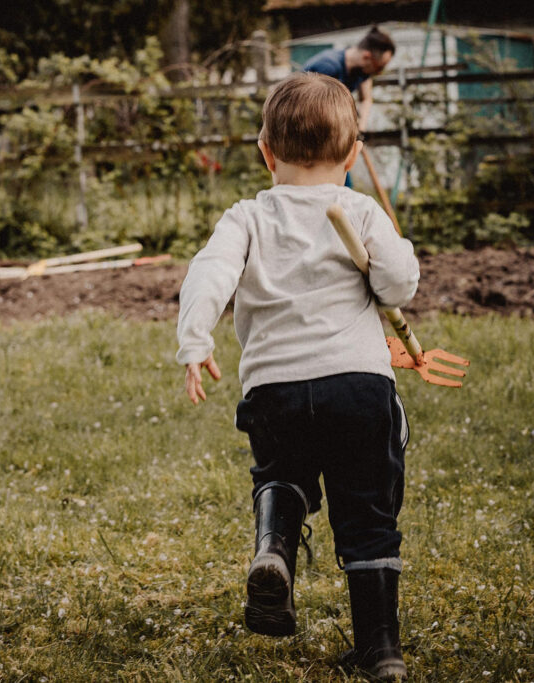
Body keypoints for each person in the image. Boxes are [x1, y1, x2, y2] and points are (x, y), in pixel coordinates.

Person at [176, 71, 419, 681]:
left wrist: (194, 338)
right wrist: (390, 265)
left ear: (265, 153)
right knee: (367, 514)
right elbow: (398, 283)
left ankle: (274, 548)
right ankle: (381, 649)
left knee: (282, 475)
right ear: (354, 155)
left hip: (275, 388)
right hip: (359, 388)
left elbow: (210, 273)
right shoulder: (360, 210)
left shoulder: (247, 217)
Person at [301, 25, 395, 133]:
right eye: (379, 67)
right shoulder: (328, 67)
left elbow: (366, 98)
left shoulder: (362, 70)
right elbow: (317, 113)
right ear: (366, 57)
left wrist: (361, 130)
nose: (379, 73)